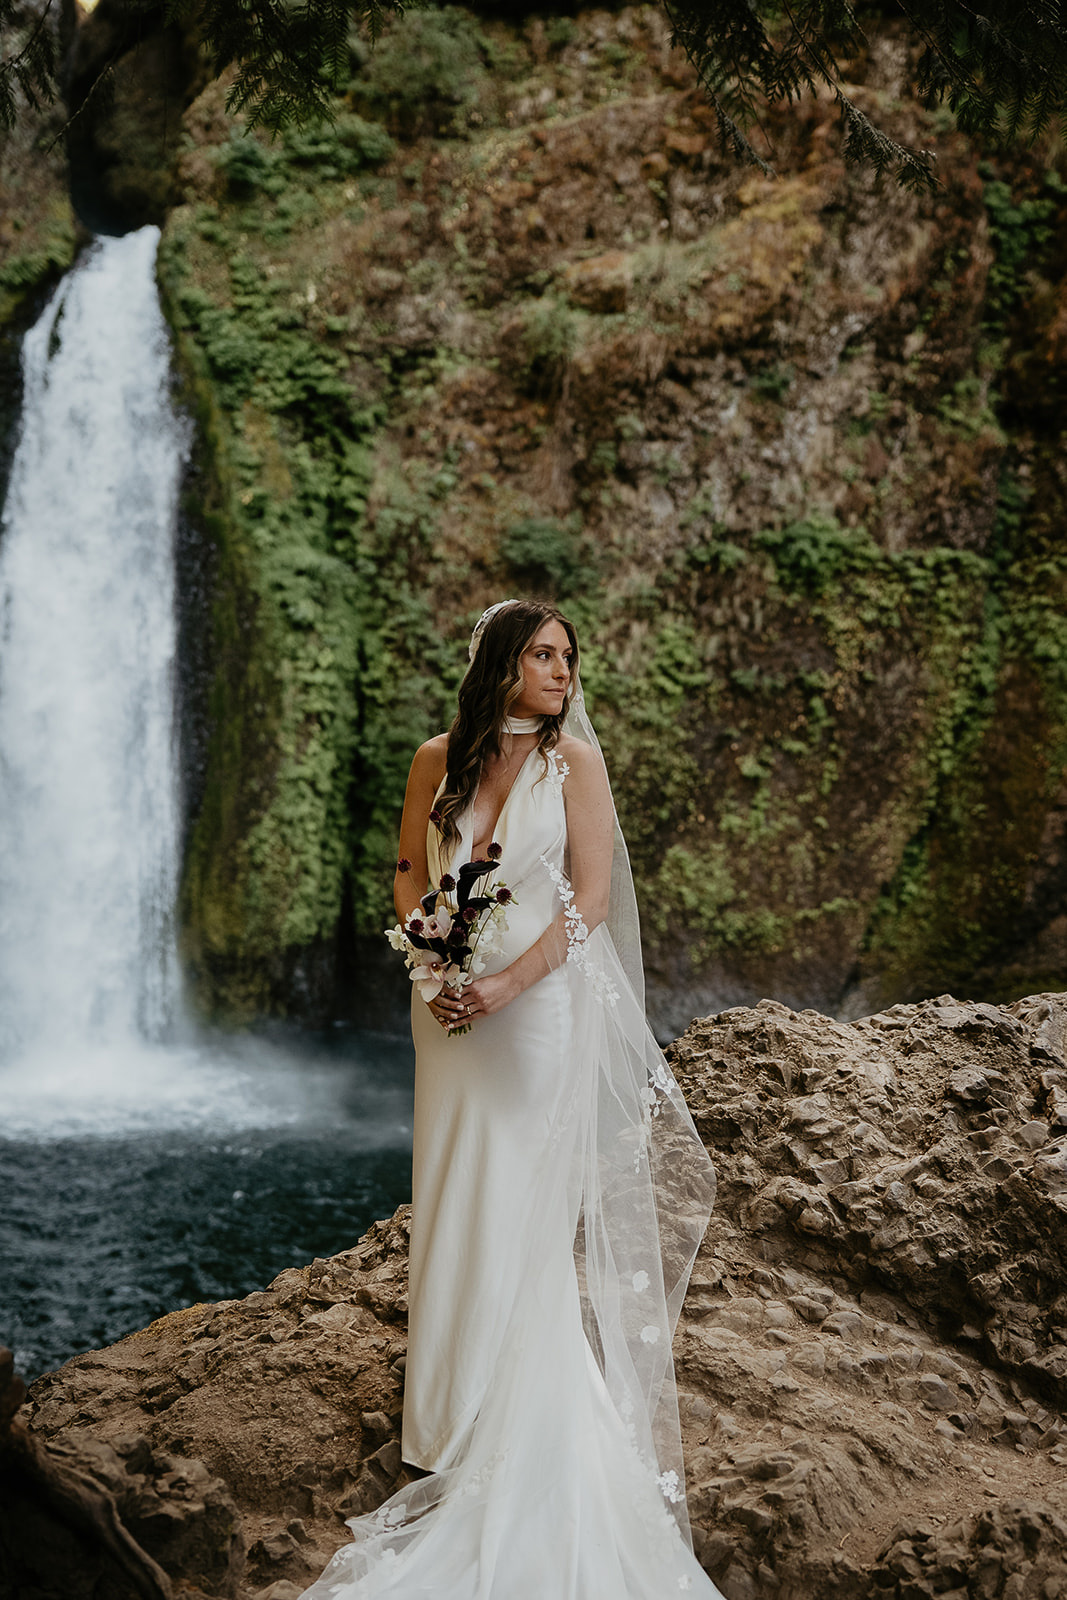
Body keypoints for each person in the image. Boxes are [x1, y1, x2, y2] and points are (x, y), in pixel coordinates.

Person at [300, 599, 723, 1598]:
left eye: (566, 657)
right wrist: (430, 958)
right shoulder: (433, 759)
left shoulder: (573, 765)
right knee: (452, 1193)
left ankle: (505, 1415)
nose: (559, 670)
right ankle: (441, 1420)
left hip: (530, 1016)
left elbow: (593, 902)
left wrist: (500, 982)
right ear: (499, 660)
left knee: (516, 1204)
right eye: (540, 653)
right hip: (444, 1015)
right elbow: (409, 872)